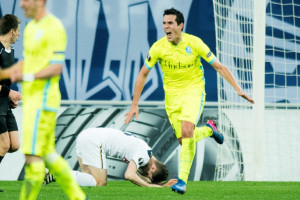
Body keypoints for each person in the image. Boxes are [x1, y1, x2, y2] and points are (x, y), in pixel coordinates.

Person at [124, 8, 254, 194]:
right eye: (164, 23)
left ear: (180, 25)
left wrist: (238, 89)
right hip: (172, 99)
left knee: (187, 131)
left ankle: (182, 181)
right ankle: (210, 129)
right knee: (185, 140)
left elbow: (219, 67)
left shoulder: (195, 43)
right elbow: (143, 74)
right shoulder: (158, 47)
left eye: (170, 23)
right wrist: (134, 104)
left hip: (194, 92)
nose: (166, 27)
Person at [0, 0, 86, 199]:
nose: (21, 4)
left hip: (43, 101)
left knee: (32, 158)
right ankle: (78, 197)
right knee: (46, 154)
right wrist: (12, 75)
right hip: (31, 101)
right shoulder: (31, 29)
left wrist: (23, 78)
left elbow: (56, 68)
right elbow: (28, 64)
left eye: (26, 0)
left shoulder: (53, 27)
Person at [45, 127, 177, 187]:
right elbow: (129, 175)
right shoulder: (143, 155)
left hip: (86, 135)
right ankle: (55, 174)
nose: (144, 176)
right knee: (100, 183)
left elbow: (140, 177)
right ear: (153, 168)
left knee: (89, 181)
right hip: (94, 141)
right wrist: (150, 186)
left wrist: (160, 185)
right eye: (148, 175)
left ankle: (50, 174)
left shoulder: (146, 151)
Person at [0, 14, 22, 165]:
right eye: (19, 30)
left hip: (4, 104)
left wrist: (9, 97)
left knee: (14, 145)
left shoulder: (9, 51)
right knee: (4, 145)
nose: (20, 34)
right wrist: (9, 93)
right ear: (12, 31)